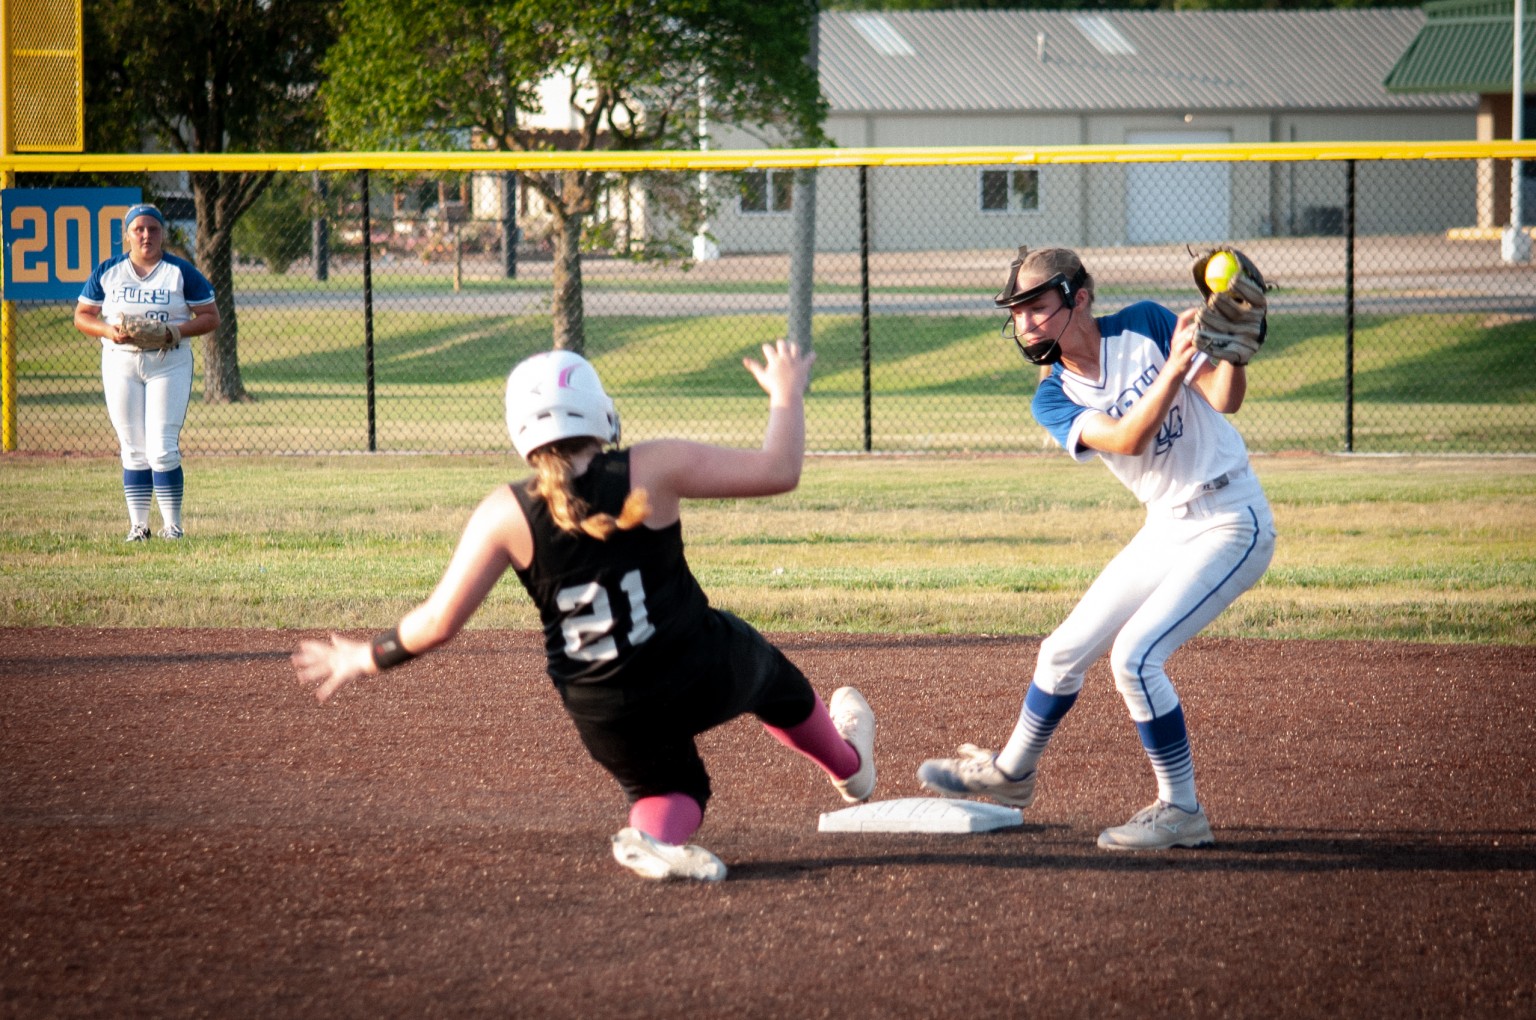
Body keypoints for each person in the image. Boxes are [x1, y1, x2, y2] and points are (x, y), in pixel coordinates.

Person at [292, 341, 875, 882]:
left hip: (602, 704)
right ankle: (849, 768)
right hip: (692, 665)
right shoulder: (653, 467)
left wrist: (363, 657)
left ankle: (650, 837)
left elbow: (438, 624)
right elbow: (780, 471)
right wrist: (787, 392)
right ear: (602, 413)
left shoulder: (504, 512)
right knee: (776, 681)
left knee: (669, 787)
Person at [917, 245, 1276, 851]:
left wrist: (1233, 356)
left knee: (1135, 658)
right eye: (1017, 312)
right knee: (1060, 653)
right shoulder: (1052, 397)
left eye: (1035, 307)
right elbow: (1129, 439)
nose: (1024, 322)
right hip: (1166, 524)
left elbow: (1223, 397)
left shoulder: (1146, 322)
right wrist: (1173, 369)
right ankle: (1012, 773)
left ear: (1079, 298)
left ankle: (1181, 809)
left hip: (1230, 518)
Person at [74, 203, 220, 542]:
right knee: (133, 447)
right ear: (127, 234)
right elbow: (82, 315)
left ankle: (173, 526)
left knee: (162, 447)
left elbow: (211, 316)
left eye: (153, 229)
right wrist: (109, 332)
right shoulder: (109, 271)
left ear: (163, 234)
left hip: (168, 361)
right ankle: (139, 527)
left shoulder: (180, 272)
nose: (146, 235)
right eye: (138, 229)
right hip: (120, 359)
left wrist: (176, 332)